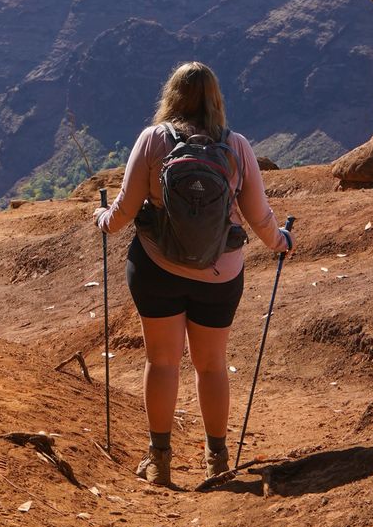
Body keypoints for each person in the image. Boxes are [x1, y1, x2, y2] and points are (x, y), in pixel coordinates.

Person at [95, 60, 292, 487]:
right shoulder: (236, 146)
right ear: (216, 99)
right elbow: (259, 217)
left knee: (162, 362)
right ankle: (217, 460)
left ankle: (159, 460)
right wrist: (281, 241)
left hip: (157, 268)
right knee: (212, 365)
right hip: (219, 275)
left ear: (171, 95)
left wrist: (102, 220)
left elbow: (125, 211)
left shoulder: (152, 141)